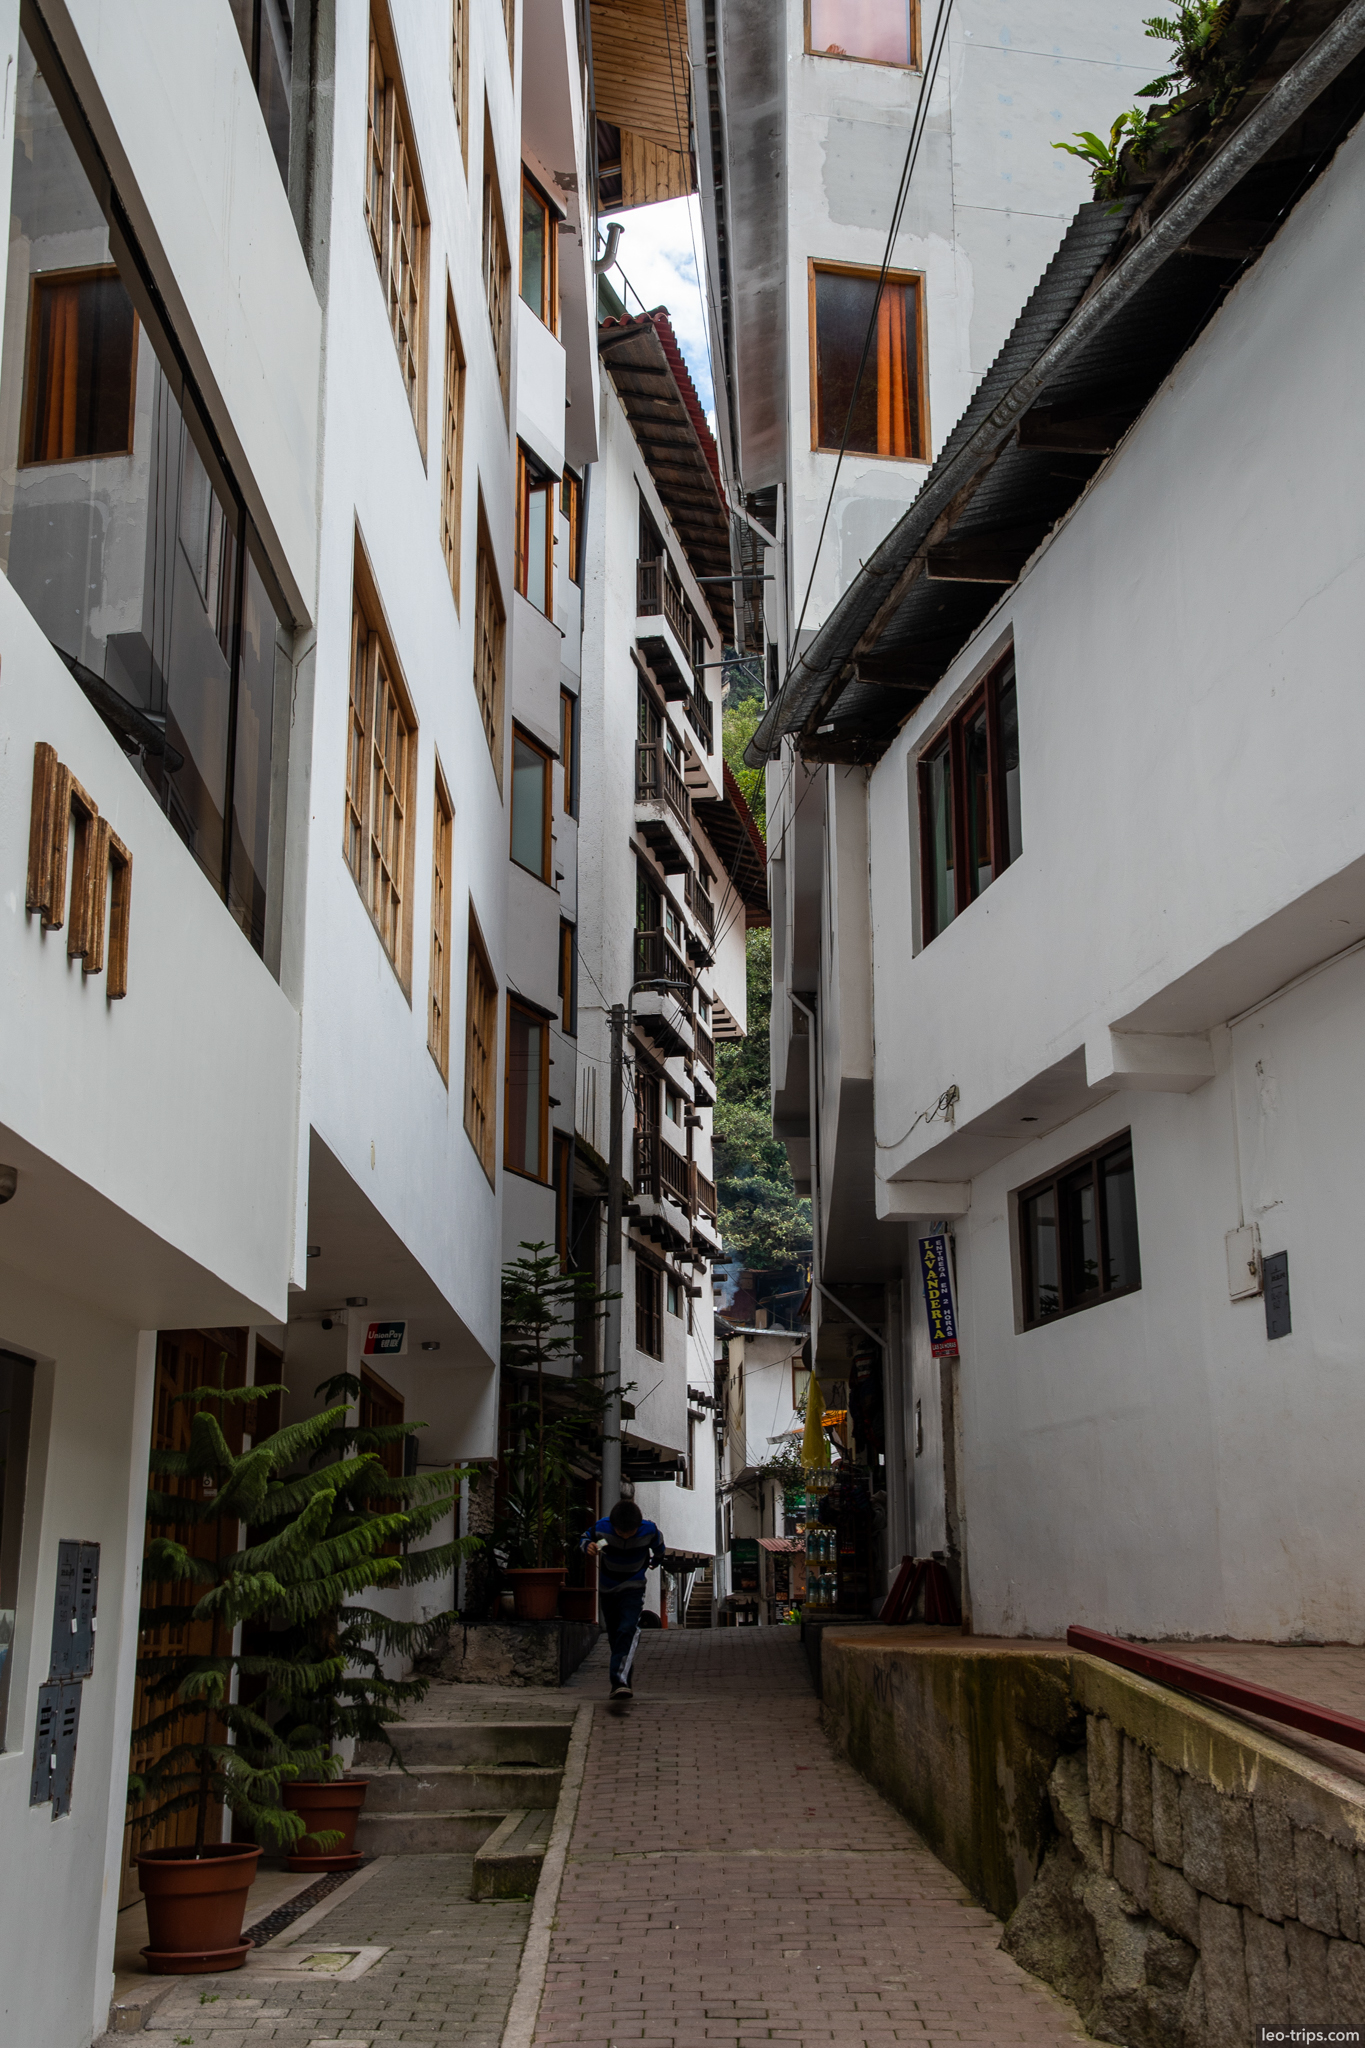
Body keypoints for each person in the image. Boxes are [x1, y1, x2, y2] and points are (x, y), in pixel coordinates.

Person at [582, 1497, 666, 1698]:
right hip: (608, 1587)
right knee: (615, 1634)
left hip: (634, 1586)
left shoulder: (649, 1530)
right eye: (621, 1533)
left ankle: (619, 1680)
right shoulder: (604, 1530)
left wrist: (656, 1561)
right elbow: (588, 1539)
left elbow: (659, 1545)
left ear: (639, 1526)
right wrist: (590, 1547)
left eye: (631, 1533)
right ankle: (622, 1676)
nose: (626, 1536)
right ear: (614, 1526)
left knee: (627, 1628)